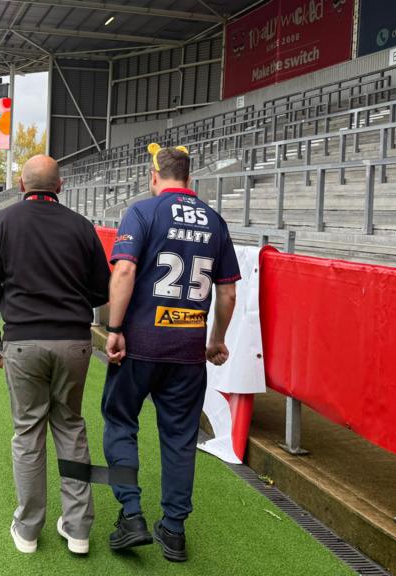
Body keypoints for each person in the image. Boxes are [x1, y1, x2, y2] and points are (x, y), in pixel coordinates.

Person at [101, 144, 239, 563]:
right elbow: (228, 291)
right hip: (187, 349)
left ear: (153, 174)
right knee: (180, 439)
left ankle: (131, 515)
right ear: (189, 177)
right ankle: (174, 530)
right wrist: (215, 339)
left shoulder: (143, 212)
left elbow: (123, 269)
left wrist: (114, 328)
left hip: (140, 343)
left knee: (120, 421)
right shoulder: (215, 221)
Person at [0, 155, 111, 556]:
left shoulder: (2, 222)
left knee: (28, 432)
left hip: (22, 341)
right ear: (61, 185)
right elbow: (101, 290)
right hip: (73, 341)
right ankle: (78, 529)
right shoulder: (81, 226)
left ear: (21, 184)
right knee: (70, 427)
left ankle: (29, 529)